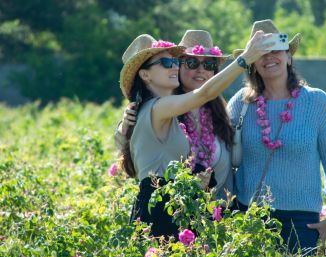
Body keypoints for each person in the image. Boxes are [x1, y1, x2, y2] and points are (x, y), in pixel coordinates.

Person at [117, 31, 274, 238]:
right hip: (160, 209)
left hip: (179, 207)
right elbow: (205, 93)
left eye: (174, 61)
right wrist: (245, 59)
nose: (174, 65)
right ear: (145, 75)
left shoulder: (181, 112)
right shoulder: (157, 108)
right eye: (165, 62)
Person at [228, 19, 326, 255]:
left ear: (289, 57)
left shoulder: (317, 101)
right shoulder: (241, 102)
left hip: (302, 221)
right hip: (249, 217)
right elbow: (215, 145)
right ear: (252, 63)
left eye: (276, 50)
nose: (269, 56)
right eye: (261, 52)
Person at [115, 30, 234, 200]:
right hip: (172, 210)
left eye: (209, 65)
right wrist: (123, 127)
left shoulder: (223, 113)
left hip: (215, 215)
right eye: (192, 63)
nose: (201, 70)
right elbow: (134, 144)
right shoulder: (164, 108)